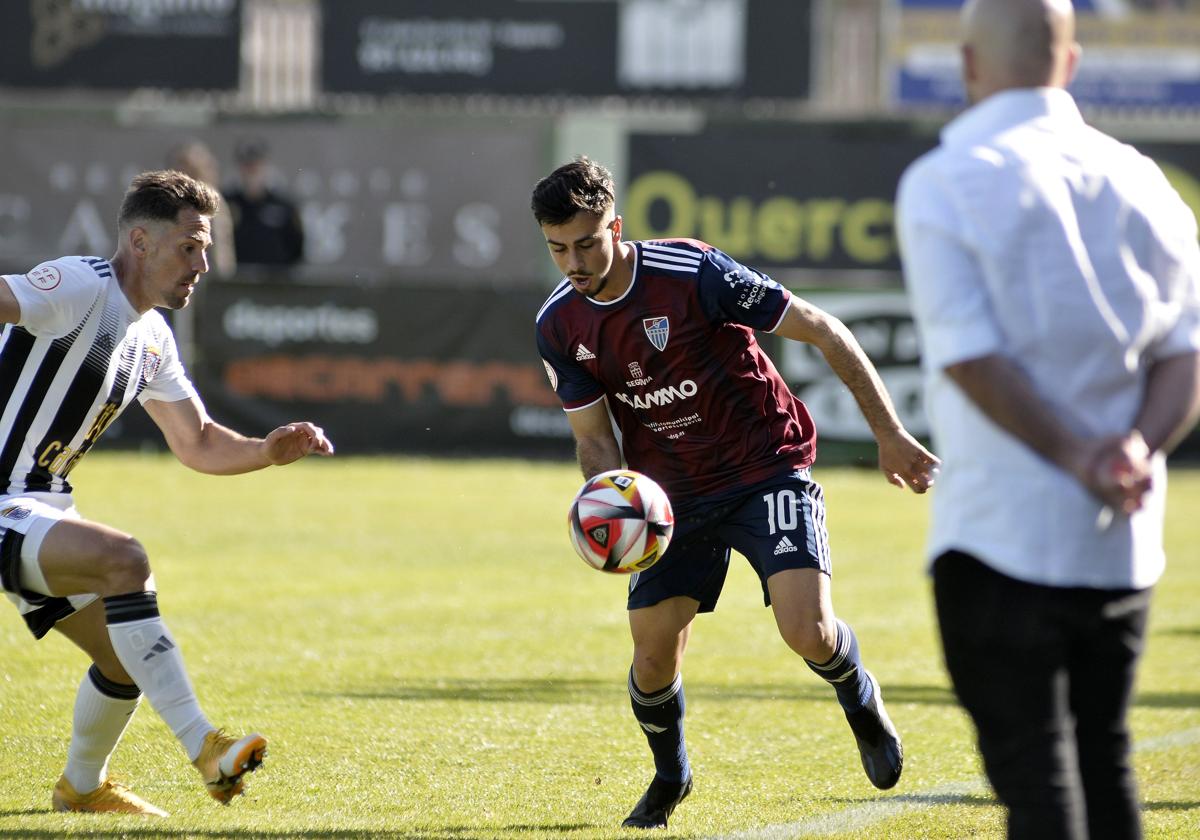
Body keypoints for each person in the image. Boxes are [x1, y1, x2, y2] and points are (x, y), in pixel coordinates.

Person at [531, 157, 939, 830]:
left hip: (764, 466)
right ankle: (671, 777)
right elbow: (594, 440)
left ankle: (857, 693)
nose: (572, 261)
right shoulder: (558, 324)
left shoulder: (693, 274)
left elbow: (824, 328)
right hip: (671, 499)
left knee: (805, 631)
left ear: (616, 227)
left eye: (585, 243)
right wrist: (610, 501)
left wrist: (889, 433)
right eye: (556, 248)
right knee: (653, 654)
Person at [896, 1, 1200, 838]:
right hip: (1120, 543)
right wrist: (1134, 448)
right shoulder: (1145, 180)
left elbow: (971, 357)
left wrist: (1073, 455)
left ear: (967, 66)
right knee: (1104, 761)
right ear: (1069, 65)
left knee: (1039, 786)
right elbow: (1186, 354)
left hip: (1002, 538)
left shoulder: (944, 180)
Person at [0, 170, 335, 816]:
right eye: (190, 247)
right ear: (140, 242)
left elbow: (199, 440)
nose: (202, 264)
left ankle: (81, 785)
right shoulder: (81, 284)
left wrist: (267, 451)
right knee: (127, 562)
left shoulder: (152, 338)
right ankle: (205, 746)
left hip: (38, 504)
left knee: (124, 657)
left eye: (204, 249)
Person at [224, 138, 305, 269]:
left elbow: (296, 245)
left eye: (256, 165)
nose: (252, 170)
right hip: (236, 279)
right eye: (247, 165)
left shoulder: (283, 205)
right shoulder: (226, 204)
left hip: (274, 282)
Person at [166, 140, 237, 278]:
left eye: (191, 169)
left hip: (202, 278)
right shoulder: (163, 199)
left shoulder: (211, 201)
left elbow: (220, 252)